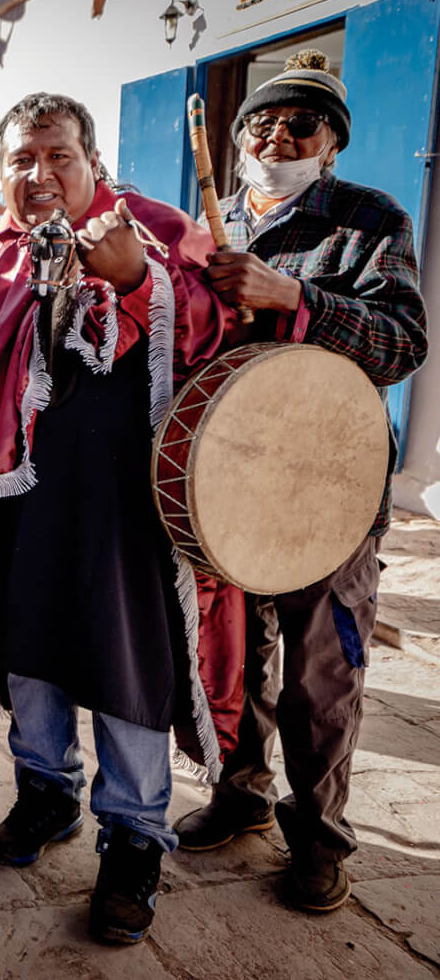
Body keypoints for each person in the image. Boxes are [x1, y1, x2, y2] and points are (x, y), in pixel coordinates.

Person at [0, 92, 243, 944]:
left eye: (56, 157)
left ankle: (134, 836)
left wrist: (138, 282)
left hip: (125, 509)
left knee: (122, 663)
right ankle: (46, 792)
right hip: (15, 499)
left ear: (92, 160)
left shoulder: (156, 229)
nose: (38, 176)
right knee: (28, 648)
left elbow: (220, 331)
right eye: (21, 161)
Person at [172, 50, 428, 912]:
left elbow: (402, 343)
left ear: (332, 145)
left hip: (329, 484)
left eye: (301, 124)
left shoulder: (369, 219)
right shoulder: (204, 228)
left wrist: (297, 298)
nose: (277, 134)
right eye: (260, 122)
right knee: (234, 656)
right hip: (226, 486)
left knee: (323, 669)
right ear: (237, 141)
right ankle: (239, 792)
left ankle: (319, 834)